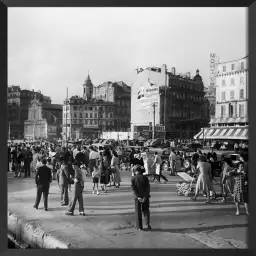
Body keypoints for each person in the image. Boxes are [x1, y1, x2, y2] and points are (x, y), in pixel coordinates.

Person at [131, 165, 152, 231]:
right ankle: (147, 224)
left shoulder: (133, 178)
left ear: (135, 171)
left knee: (138, 211)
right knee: (146, 210)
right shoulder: (145, 177)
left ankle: (139, 227)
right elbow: (148, 188)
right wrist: (145, 196)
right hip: (145, 196)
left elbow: (134, 189)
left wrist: (138, 197)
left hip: (137, 198)